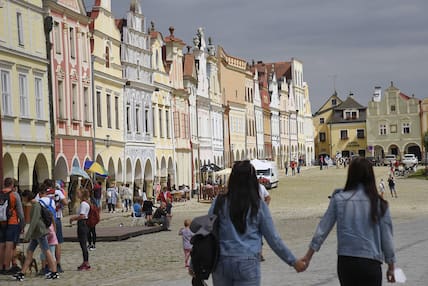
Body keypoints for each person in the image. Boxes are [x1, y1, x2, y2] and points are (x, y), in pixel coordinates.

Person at [208, 160, 305, 285]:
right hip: (248, 261)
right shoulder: (258, 205)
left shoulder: (219, 202)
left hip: (222, 261)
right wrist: (293, 261)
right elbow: (273, 238)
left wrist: (195, 265)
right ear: (252, 180)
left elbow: (206, 230)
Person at [302, 158, 396, 286]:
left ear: (351, 175)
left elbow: (322, 229)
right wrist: (391, 266)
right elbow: (387, 238)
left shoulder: (339, 199)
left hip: (346, 262)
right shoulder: (379, 203)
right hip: (371, 262)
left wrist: (308, 256)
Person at [13, 190, 58, 281]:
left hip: (40, 232)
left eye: (23, 198)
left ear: (26, 197)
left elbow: (34, 221)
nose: (22, 200)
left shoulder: (36, 206)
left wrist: (27, 235)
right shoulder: (34, 205)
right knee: (29, 252)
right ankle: (22, 272)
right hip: (36, 234)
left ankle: (54, 271)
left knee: (47, 252)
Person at [0, 177, 25, 275]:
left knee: (1, 244)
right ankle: (7, 267)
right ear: (12, 185)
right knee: (9, 245)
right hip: (12, 222)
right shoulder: (14, 195)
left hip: (1, 222)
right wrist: (22, 225)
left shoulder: (0, 194)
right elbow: (20, 213)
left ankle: (1, 266)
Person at [69, 188, 91, 271]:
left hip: (82, 224)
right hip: (83, 224)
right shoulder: (85, 203)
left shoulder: (83, 204)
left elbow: (82, 216)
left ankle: (86, 262)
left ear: (82, 194)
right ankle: (85, 261)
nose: (77, 194)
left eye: (78, 193)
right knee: (83, 244)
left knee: (83, 244)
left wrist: (73, 218)